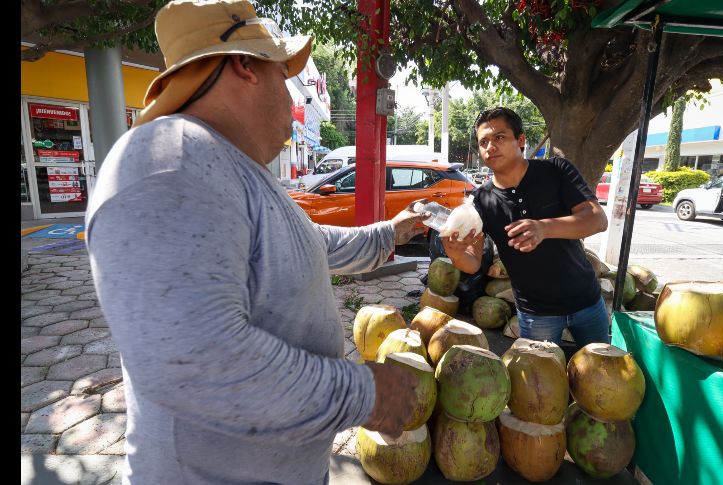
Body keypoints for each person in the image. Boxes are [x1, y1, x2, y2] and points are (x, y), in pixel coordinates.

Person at [84, 1, 428, 483]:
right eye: (281, 73)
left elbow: (308, 243)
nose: (290, 96)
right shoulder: (168, 160)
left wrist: (392, 231)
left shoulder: (229, 166)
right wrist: (366, 395)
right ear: (245, 65)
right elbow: (199, 363)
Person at [441, 107, 609, 348]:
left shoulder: (556, 171)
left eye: (499, 137)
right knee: (540, 384)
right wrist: (455, 252)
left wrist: (543, 228)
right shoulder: (482, 201)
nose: (490, 146)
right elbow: (474, 262)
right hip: (536, 314)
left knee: (601, 379)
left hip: (587, 302)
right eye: (484, 142)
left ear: (520, 140)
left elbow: (597, 219)